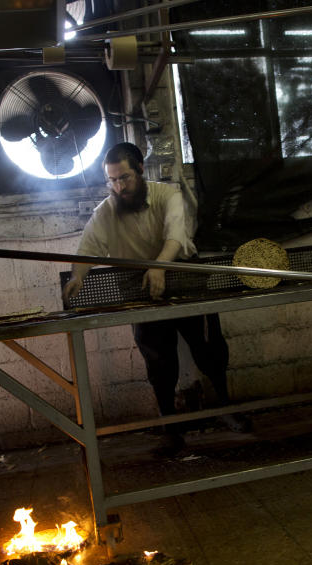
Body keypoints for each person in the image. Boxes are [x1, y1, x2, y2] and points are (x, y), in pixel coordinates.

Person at [63, 142, 243, 454]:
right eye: (112, 181)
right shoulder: (105, 213)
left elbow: (175, 236)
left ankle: (225, 408)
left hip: (181, 274)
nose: (119, 187)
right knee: (159, 361)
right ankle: (170, 426)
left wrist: (159, 267)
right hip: (137, 286)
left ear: (141, 170)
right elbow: (87, 249)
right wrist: (78, 275)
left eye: (125, 178)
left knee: (209, 348)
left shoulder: (167, 195)